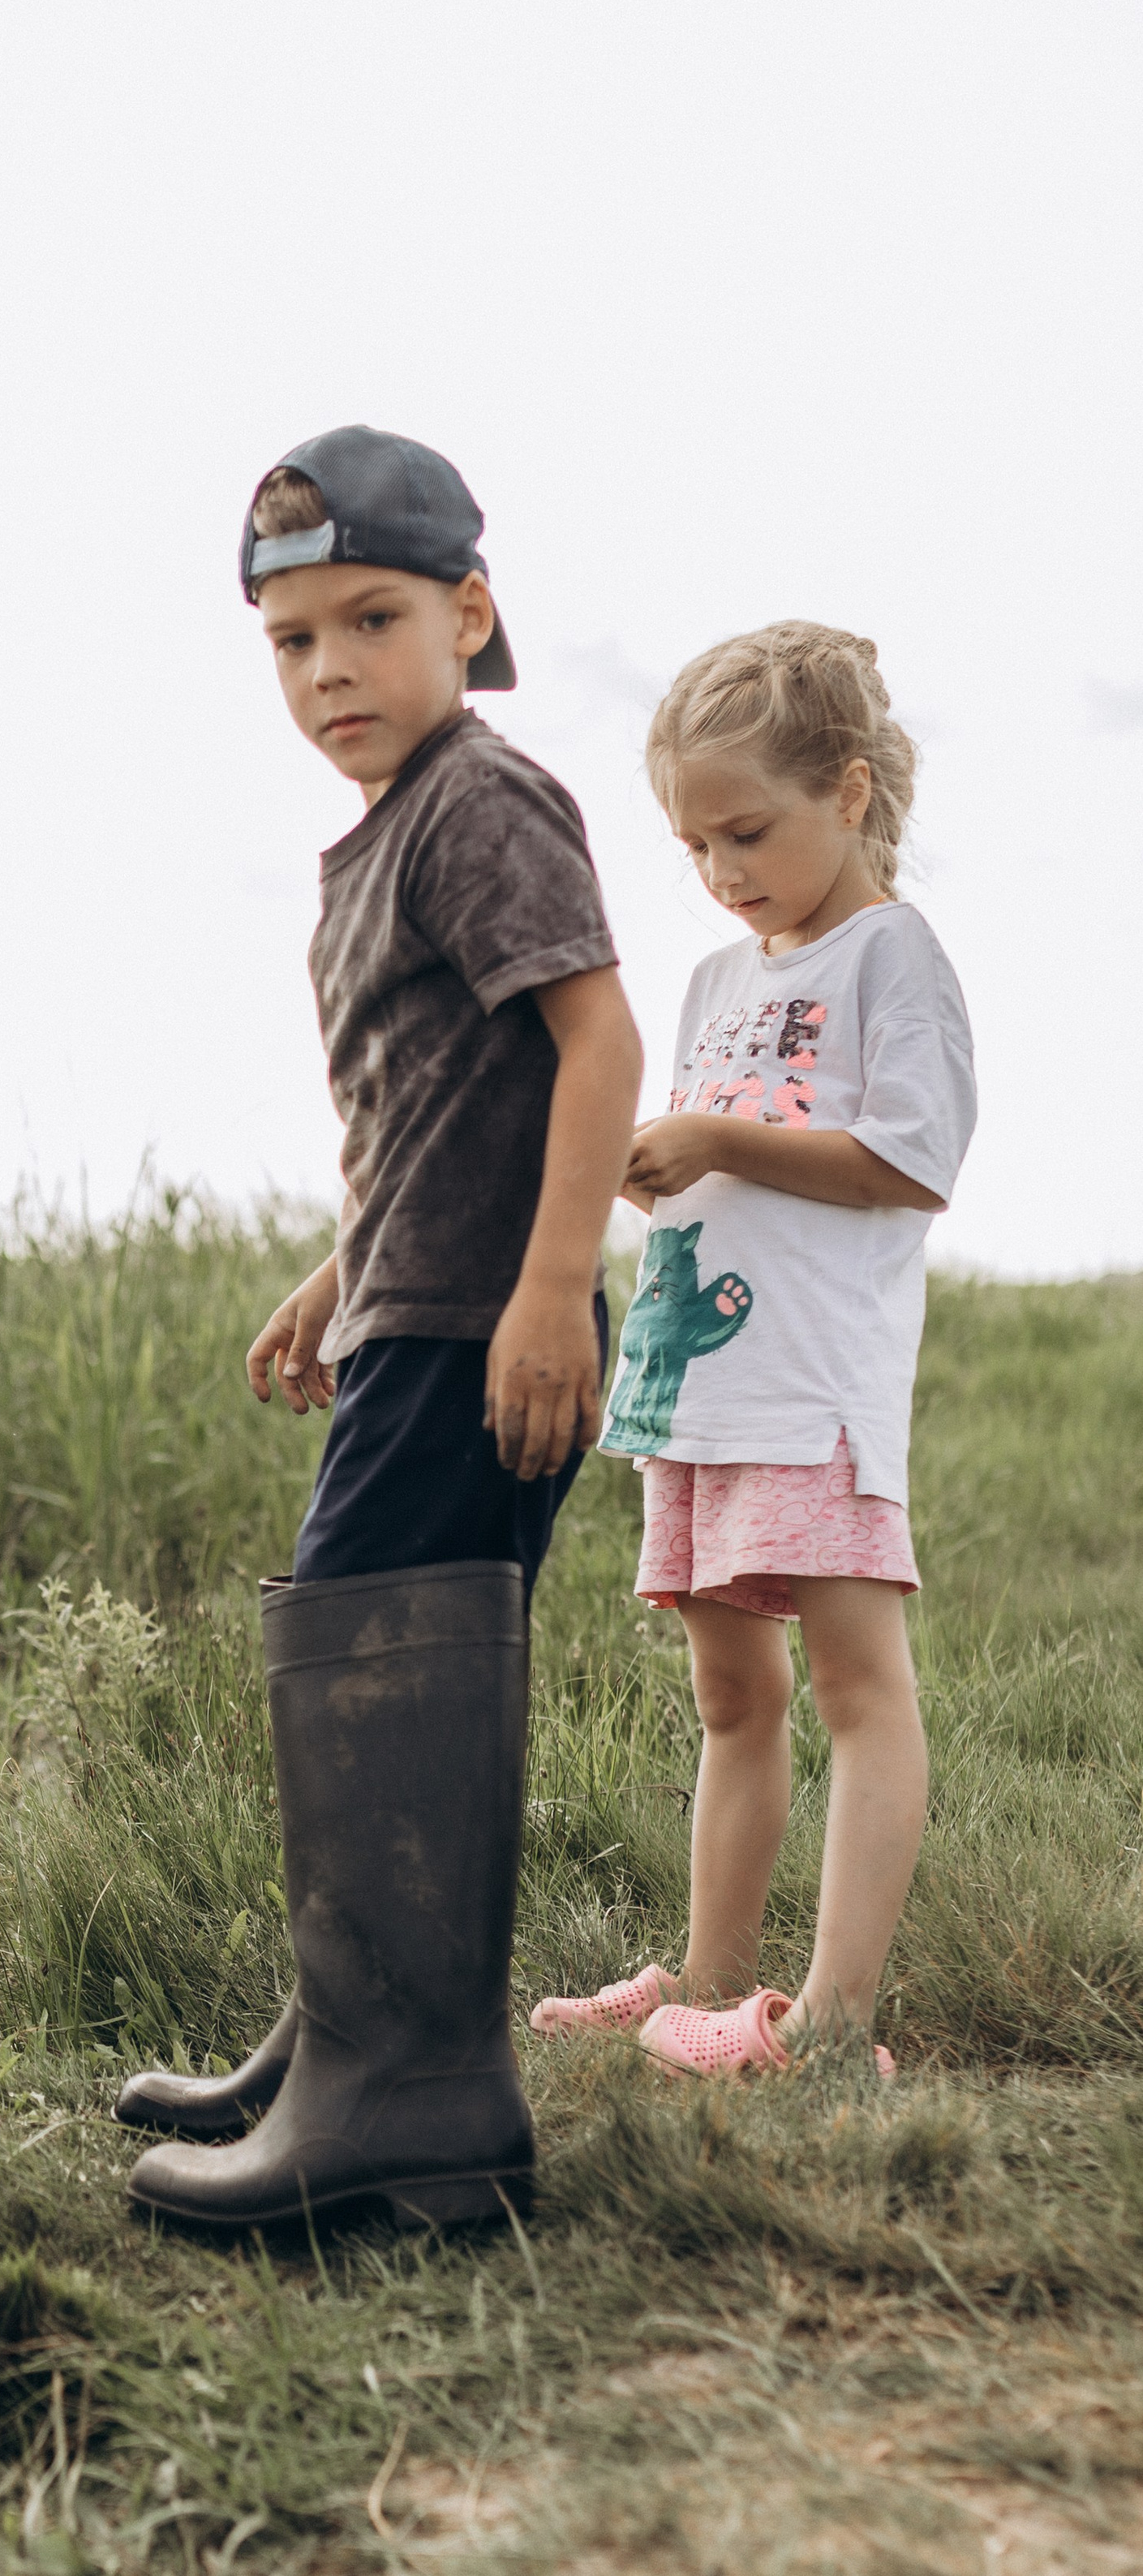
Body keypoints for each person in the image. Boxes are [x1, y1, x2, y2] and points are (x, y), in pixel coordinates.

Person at [118, 424, 642, 2233]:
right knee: (377, 1678)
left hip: (482, 1328)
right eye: (292, 640)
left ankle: (406, 2100)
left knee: (368, 1658)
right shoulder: (385, 835)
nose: (328, 668)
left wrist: (550, 1290)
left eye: (371, 620)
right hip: (411, 1311)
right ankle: (345, 2042)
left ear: (466, 616)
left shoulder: (481, 800)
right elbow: (436, 1113)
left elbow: (596, 1043)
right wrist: (342, 1271)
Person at [531, 621, 976, 2077]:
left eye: (747, 833)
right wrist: (654, 1169)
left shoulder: (892, 955)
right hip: (697, 1389)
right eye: (694, 845)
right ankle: (707, 1987)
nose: (721, 871)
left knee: (857, 1689)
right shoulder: (719, 979)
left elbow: (911, 1162)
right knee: (733, 1696)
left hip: (812, 1396)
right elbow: (713, 1172)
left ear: (848, 791)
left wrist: (717, 1140)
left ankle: (835, 2026)